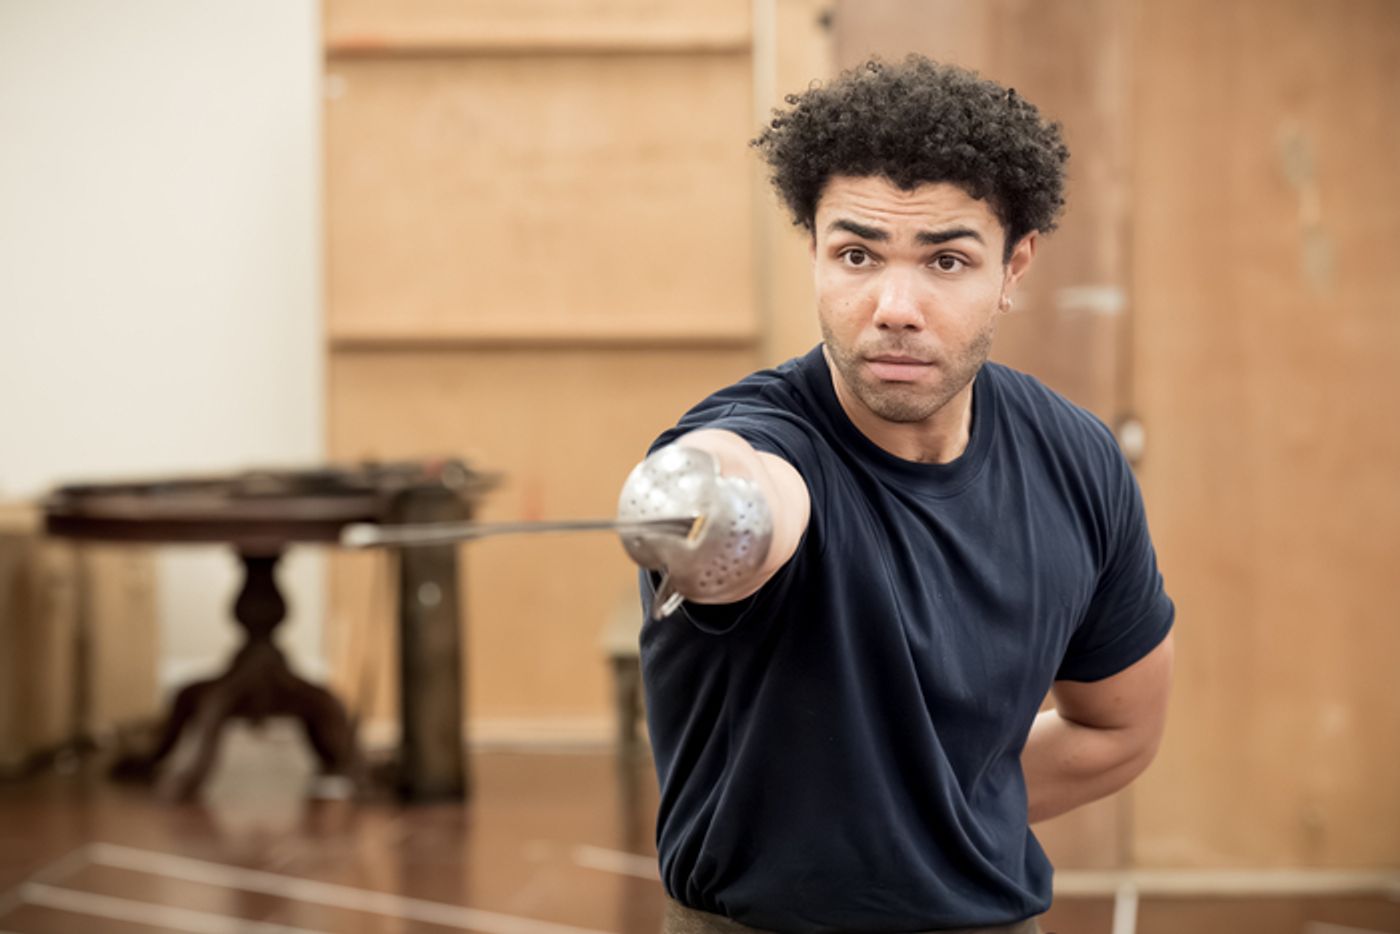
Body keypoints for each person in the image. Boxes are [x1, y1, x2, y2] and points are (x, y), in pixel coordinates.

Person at [618, 55, 1175, 934]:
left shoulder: (1078, 460)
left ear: (1014, 265)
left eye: (947, 260)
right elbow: (754, 485)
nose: (895, 306)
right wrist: (708, 502)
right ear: (813, 251)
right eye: (856, 254)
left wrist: (940, 819)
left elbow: (1119, 730)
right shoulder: (761, 437)